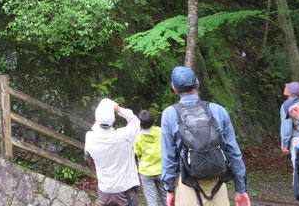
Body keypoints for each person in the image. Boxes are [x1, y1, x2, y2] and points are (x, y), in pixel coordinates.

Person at [161, 66, 251, 206]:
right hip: (217, 185)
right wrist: (240, 189)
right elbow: (233, 153)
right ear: (197, 83)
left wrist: (170, 190)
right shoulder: (218, 110)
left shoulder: (170, 114)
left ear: (174, 89)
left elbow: (169, 157)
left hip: (187, 186)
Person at [85, 98, 141, 206]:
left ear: (96, 119)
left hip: (105, 193)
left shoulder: (89, 138)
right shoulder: (124, 136)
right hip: (125, 192)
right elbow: (136, 122)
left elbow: (89, 158)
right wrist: (119, 109)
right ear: (114, 120)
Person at [134, 110, 166, 206]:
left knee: (151, 200)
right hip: (162, 169)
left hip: (146, 172)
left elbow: (137, 152)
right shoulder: (159, 131)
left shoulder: (138, 137)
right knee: (166, 197)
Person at [280, 82, 299, 169]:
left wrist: (284, 142)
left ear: (291, 92)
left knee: (298, 169)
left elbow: (286, 126)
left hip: (297, 139)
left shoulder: (286, 106)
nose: (285, 88)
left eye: (288, 88)